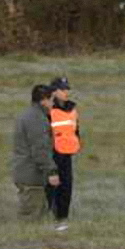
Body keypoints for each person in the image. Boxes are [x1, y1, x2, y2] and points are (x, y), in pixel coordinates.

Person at [11, 85, 60, 219]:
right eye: (51, 100)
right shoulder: (36, 119)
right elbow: (40, 149)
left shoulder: (29, 115)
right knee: (31, 219)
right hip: (31, 176)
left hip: (26, 173)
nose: (53, 104)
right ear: (43, 100)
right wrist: (51, 171)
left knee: (36, 215)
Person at [45, 76, 81, 229]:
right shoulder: (47, 109)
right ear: (53, 92)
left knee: (67, 185)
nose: (66, 92)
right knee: (51, 186)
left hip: (67, 153)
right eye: (62, 89)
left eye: (67, 89)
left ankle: (62, 218)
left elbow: (75, 129)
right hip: (51, 153)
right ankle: (47, 217)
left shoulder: (72, 108)